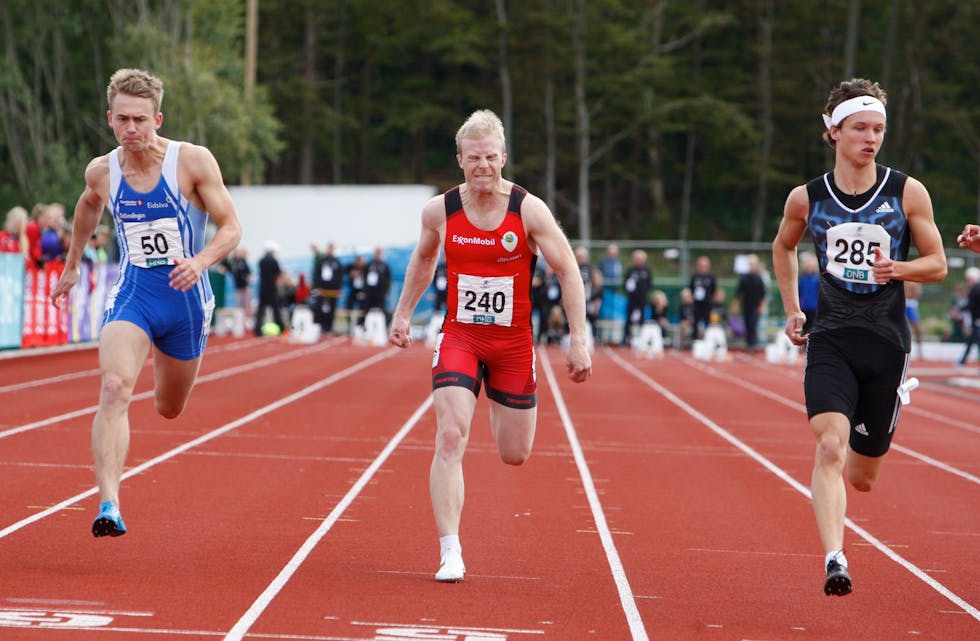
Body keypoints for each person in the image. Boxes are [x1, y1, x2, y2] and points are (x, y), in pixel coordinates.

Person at [387, 109, 592, 582]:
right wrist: (402, 315)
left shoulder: (529, 210)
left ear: (504, 157)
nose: (483, 165)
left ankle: (502, 416)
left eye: (491, 157)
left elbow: (567, 269)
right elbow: (422, 262)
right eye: (474, 157)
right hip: (460, 335)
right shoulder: (440, 211)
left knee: (514, 453)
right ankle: (450, 550)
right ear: (460, 159)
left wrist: (578, 338)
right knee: (450, 434)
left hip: (513, 343)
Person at [772, 78, 946, 596]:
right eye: (860, 129)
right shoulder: (807, 198)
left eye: (878, 129)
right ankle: (835, 558)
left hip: (887, 343)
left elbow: (938, 265)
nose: (871, 138)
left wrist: (899, 269)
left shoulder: (905, 191)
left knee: (863, 477)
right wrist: (792, 308)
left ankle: (863, 437)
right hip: (832, 336)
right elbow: (782, 247)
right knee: (828, 447)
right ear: (833, 131)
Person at [49, 68, 242, 537]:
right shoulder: (102, 170)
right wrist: (73, 264)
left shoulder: (191, 162)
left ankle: (167, 381)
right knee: (115, 386)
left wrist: (200, 262)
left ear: (157, 118)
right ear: (110, 119)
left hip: (186, 301)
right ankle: (109, 503)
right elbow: (86, 208)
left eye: (140, 119)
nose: (131, 129)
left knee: (168, 407)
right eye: (122, 120)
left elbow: (232, 227)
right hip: (134, 294)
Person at [733, 254, 767, 353]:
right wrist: (735, 305)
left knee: (753, 324)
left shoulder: (759, 278)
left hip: (755, 306)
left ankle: (753, 343)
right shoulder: (744, 278)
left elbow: (763, 294)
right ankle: (749, 343)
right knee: (747, 324)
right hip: (746, 304)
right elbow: (738, 293)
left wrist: (762, 306)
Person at [310, 241, 344, 334]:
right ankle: (319, 326)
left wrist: (339, 288)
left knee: (331, 309)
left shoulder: (337, 262)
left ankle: (328, 327)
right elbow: (316, 274)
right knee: (320, 308)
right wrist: (317, 287)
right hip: (322, 290)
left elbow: (340, 276)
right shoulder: (322, 261)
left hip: (333, 290)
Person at [622, 249, 652, 345]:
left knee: (642, 319)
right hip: (632, 298)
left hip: (642, 298)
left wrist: (644, 291)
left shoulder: (647, 270)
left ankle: (642, 338)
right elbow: (625, 283)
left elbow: (649, 284)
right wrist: (628, 288)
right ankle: (626, 338)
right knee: (628, 318)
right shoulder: (631, 270)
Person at [255, 240, 284, 335]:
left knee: (261, 310)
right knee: (276, 309)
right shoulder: (273, 260)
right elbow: (278, 273)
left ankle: (258, 329)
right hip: (272, 288)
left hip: (263, 287)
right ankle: (280, 327)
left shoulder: (261, 261)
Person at [689, 255, 716, 340]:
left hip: (707, 304)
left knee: (708, 322)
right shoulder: (695, 276)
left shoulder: (711, 277)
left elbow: (714, 289)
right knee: (695, 322)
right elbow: (691, 288)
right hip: (697, 304)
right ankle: (695, 340)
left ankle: (708, 340)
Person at [363, 246, 392, 323]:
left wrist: (385, 291)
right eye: (376, 252)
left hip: (380, 293)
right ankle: (366, 326)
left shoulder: (384, 265)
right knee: (368, 310)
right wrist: (365, 290)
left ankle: (384, 326)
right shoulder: (369, 264)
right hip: (370, 293)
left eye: (379, 253)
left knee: (381, 310)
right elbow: (364, 277)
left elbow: (388, 279)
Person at [958, 267, 980, 366]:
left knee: (976, 341)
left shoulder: (975, 289)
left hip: (977, 319)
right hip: (976, 319)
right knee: (971, 340)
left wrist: (959, 310)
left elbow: (971, 305)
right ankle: (962, 360)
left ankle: (962, 360)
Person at [798, 252, 820, 334]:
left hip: (814, 307)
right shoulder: (802, 278)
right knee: (804, 327)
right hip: (804, 306)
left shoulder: (817, 278)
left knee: (813, 326)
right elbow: (799, 292)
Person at [903, 281, 923, 360]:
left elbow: (918, 293)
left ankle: (919, 351)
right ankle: (903, 349)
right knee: (902, 328)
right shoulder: (903, 278)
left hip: (912, 304)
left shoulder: (915, 279)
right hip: (903, 303)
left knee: (918, 330)